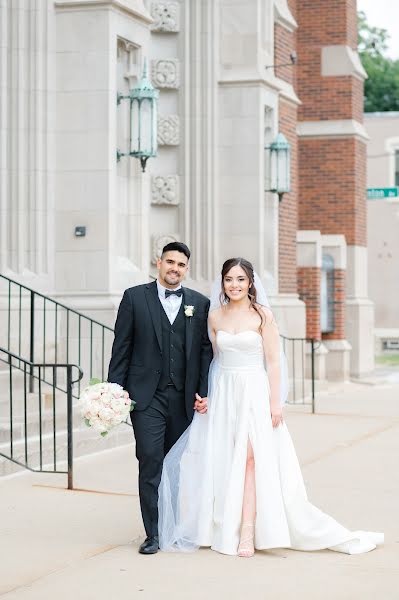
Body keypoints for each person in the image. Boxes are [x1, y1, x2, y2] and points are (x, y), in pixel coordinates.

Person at [158, 257, 383, 557]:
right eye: (229, 279)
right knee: (225, 458)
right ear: (222, 283)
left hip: (254, 390)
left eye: (240, 279)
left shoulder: (263, 316)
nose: (234, 285)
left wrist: (275, 402)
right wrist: (209, 395)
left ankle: (247, 532)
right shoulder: (215, 317)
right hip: (225, 391)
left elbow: (274, 362)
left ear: (250, 283)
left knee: (251, 459)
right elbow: (214, 360)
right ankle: (221, 524)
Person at [108, 242, 213, 554]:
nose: (175, 268)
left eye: (181, 264)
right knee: (151, 460)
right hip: (145, 398)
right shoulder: (134, 297)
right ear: (158, 262)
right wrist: (115, 392)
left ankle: (173, 527)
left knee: (175, 465)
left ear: (187, 269)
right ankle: (153, 534)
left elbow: (205, 352)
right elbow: (121, 348)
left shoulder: (199, 303)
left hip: (182, 400)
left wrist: (203, 391)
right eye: (170, 262)